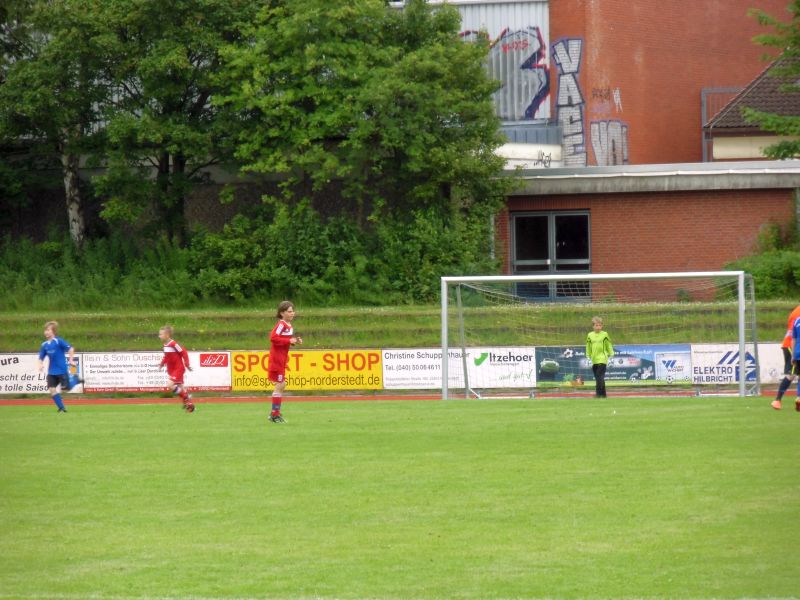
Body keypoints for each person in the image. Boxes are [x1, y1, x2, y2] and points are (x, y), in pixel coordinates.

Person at [267, 300, 303, 423]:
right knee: (280, 384)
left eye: (293, 311)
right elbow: (273, 338)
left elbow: (283, 341)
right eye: (289, 311)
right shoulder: (281, 324)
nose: (292, 313)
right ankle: (274, 414)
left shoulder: (288, 326)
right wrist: (289, 341)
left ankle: (274, 413)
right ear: (282, 313)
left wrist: (294, 342)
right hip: (277, 359)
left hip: (281, 359)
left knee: (281, 385)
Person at [38, 321, 83, 412]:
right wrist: (40, 364)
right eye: (45, 330)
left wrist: (70, 360)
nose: (46, 332)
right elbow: (41, 357)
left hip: (62, 370)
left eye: (48, 330)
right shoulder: (44, 345)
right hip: (51, 371)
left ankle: (75, 379)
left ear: (53, 331)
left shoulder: (58, 341)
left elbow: (70, 348)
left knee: (66, 389)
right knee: (51, 389)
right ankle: (61, 408)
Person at [158, 325, 194, 412]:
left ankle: (186, 398)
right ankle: (189, 405)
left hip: (178, 368)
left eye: (161, 334)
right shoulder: (165, 345)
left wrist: (187, 364)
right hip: (172, 369)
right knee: (181, 387)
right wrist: (162, 363)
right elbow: (166, 356)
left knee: (169, 385)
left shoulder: (174, 344)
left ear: (167, 335)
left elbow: (184, 352)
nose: (159, 336)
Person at [772, 304, 800, 410]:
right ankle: (777, 400)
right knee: (792, 374)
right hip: (792, 346)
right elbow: (795, 334)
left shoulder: (796, 311)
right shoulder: (798, 313)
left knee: (794, 373)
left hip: (791, 345)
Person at [586, 316, 613, 398]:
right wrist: (588, 356)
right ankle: (604, 395)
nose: (598, 327)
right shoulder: (590, 335)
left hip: (602, 359)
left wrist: (611, 354)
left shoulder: (605, 334)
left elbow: (609, 345)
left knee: (599, 377)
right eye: (596, 325)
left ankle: (598, 394)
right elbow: (588, 346)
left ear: (602, 326)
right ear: (593, 326)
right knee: (599, 378)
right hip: (594, 360)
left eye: (599, 325)